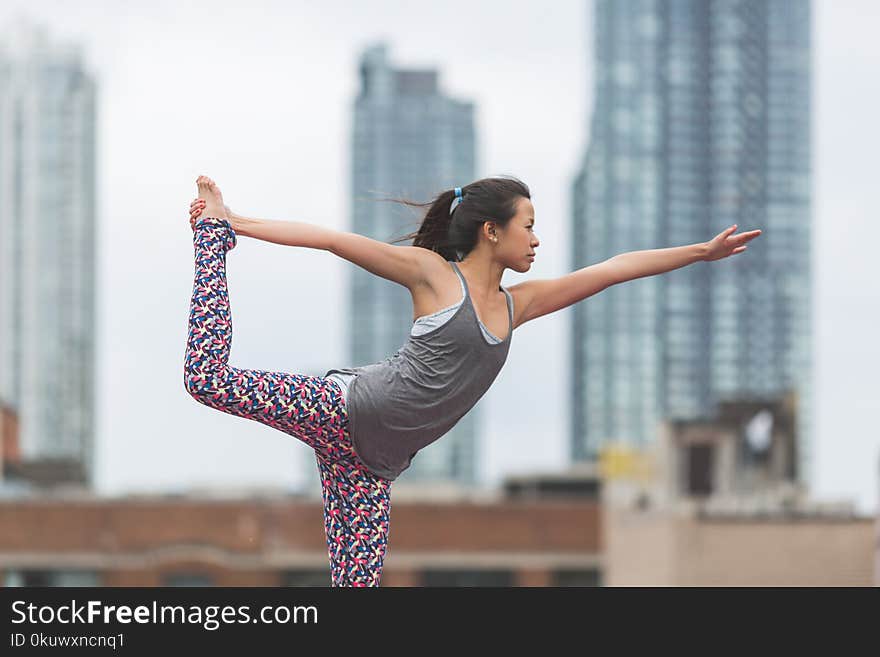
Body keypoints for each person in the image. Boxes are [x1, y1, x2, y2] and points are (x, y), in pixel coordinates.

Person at [185, 174, 761, 587]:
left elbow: (610, 270)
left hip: (372, 466)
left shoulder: (519, 306)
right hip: (343, 407)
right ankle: (212, 238)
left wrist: (700, 253)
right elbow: (335, 240)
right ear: (492, 231)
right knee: (206, 379)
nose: (537, 241)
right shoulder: (433, 276)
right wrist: (235, 222)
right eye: (529, 226)